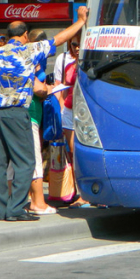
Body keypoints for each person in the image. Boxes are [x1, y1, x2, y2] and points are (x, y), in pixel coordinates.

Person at [0, 7, 88, 221]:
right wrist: (80, 22)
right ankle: (15, 209)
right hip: (17, 113)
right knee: (25, 162)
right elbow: (60, 38)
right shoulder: (29, 50)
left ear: (7, 36)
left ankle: (3, 209)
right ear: (25, 36)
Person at [53, 33, 87, 207]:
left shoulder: (90, 63)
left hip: (85, 113)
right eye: (74, 44)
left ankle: (85, 193)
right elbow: (63, 88)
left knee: (82, 151)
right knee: (72, 151)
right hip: (68, 110)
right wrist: (60, 106)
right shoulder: (67, 63)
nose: (77, 47)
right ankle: (76, 191)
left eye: (81, 44)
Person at [26, 28, 56, 215]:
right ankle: (38, 202)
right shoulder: (30, 59)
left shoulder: (39, 59)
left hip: (35, 112)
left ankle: (26, 199)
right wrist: (48, 88)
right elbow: (37, 88)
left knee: (24, 158)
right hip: (30, 113)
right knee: (34, 157)